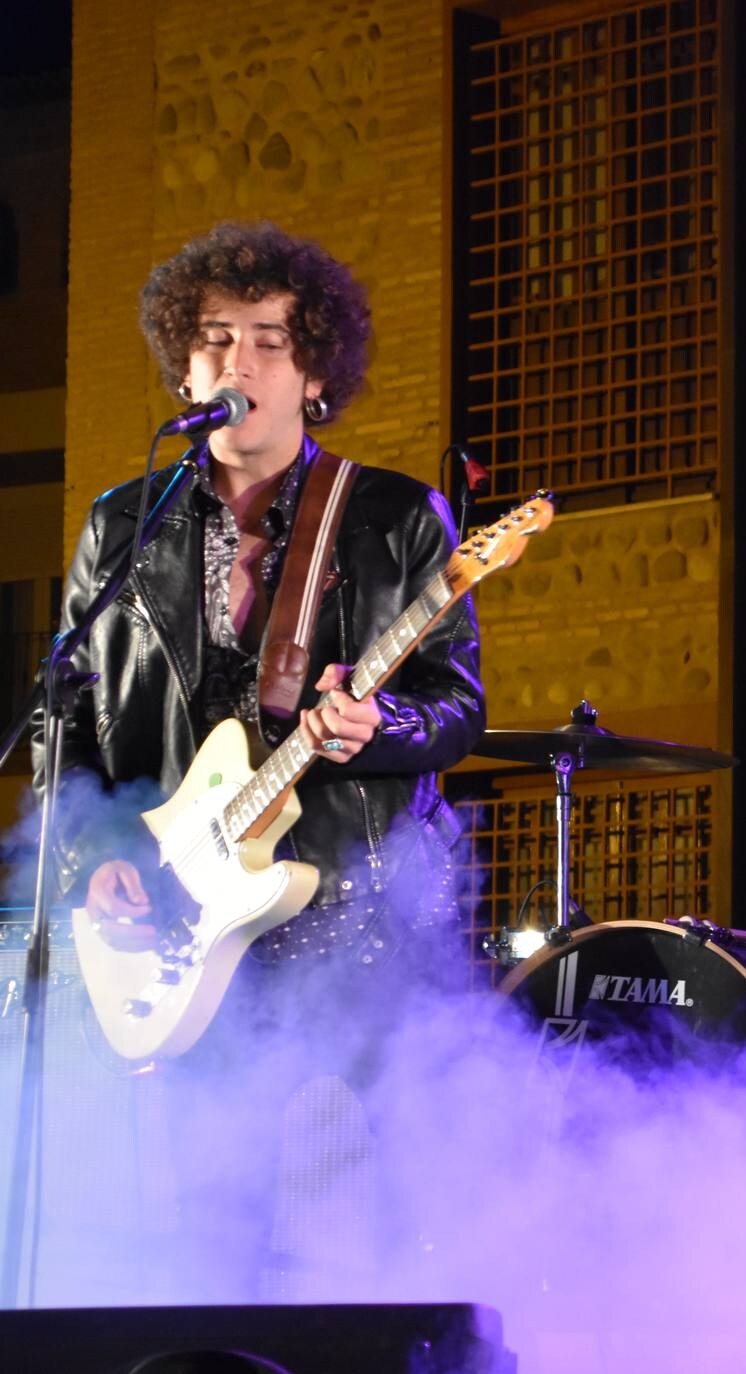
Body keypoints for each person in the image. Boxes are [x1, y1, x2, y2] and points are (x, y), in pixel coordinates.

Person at [29, 220, 484, 1299]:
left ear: (316, 371)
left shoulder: (389, 518)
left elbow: (458, 707)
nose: (238, 363)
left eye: (269, 341)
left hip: (351, 913)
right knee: (203, 1228)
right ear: (183, 367)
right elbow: (69, 726)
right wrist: (89, 857)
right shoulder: (122, 524)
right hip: (189, 916)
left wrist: (384, 730)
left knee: (340, 1234)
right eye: (215, 340)